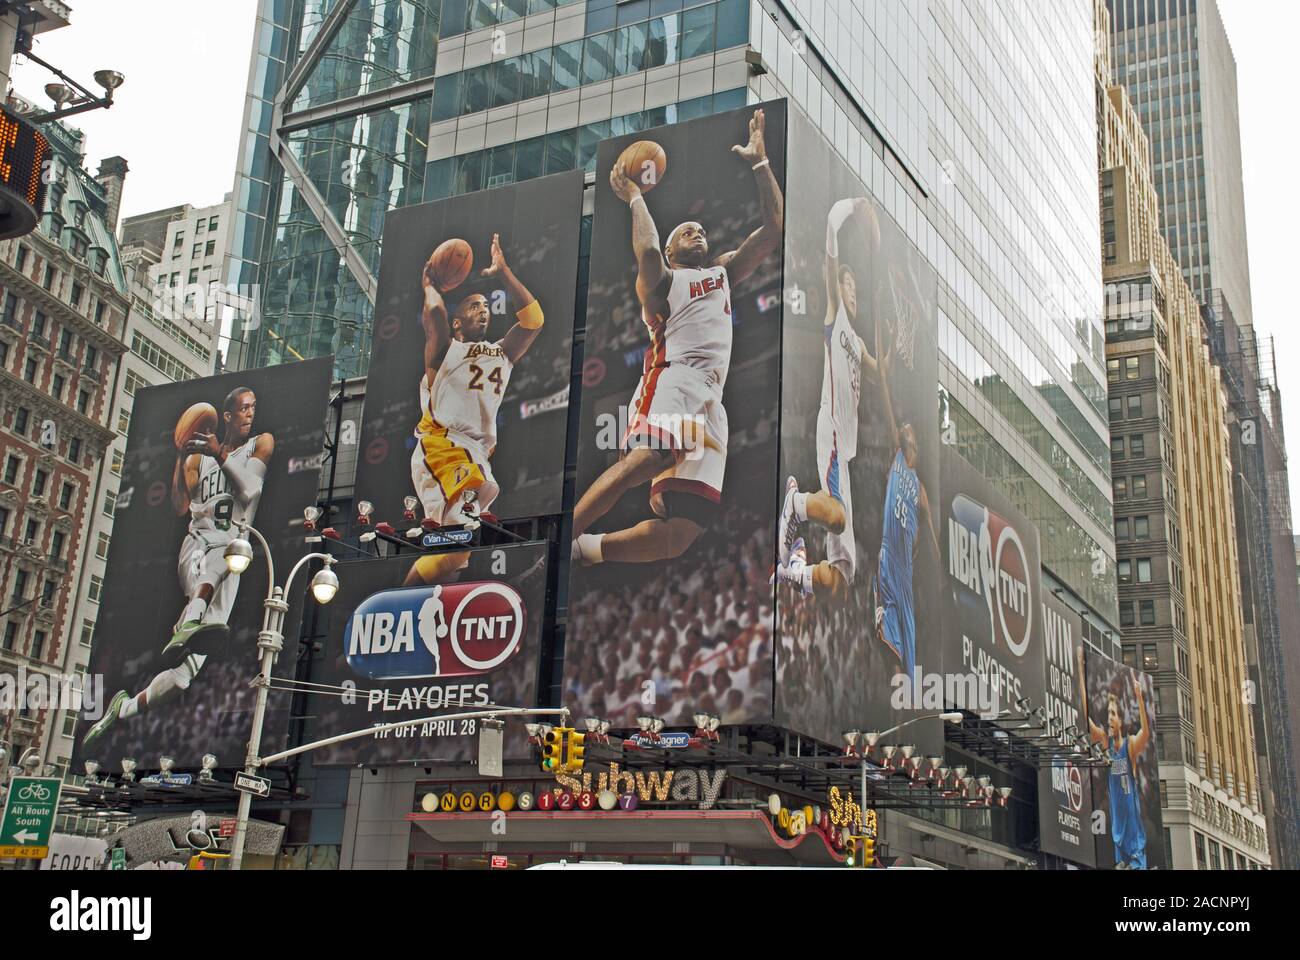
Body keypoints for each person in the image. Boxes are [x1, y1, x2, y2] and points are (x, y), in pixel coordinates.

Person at [571, 108, 784, 566]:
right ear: (671, 249)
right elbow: (647, 250)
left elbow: (771, 233)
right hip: (677, 378)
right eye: (686, 230)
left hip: (712, 399)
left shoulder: (722, 272)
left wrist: (761, 164)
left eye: (702, 228)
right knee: (651, 457)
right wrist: (633, 198)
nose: (698, 230)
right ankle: (565, 528)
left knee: (685, 530)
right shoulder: (663, 282)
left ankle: (585, 549)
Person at [83, 387, 274, 752]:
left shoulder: (261, 444)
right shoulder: (197, 461)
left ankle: (121, 709)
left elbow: (250, 490)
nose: (250, 414)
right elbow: (178, 505)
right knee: (230, 550)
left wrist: (219, 452)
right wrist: (179, 457)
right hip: (200, 548)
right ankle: (190, 620)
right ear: (228, 415)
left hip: (232, 561)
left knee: (185, 677)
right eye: (243, 409)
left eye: (254, 407)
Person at [405, 233, 544, 586]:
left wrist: (504, 272)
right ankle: (398, 604)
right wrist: (429, 286)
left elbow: (534, 320)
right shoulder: (445, 352)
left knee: (456, 551)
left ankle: (412, 606)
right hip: (441, 445)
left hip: (476, 453)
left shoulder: (502, 352)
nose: (483, 309)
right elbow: (434, 315)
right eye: (473, 306)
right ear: (457, 323)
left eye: (485, 305)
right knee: (458, 540)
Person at [775, 196, 883, 598]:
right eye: (846, 282)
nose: (851, 289)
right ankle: (796, 503)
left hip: (847, 451)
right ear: (837, 286)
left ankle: (796, 572)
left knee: (840, 580)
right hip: (831, 429)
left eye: (856, 285)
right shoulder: (833, 315)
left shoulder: (856, 339)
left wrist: (892, 348)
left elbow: (878, 371)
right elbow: (830, 228)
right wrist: (855, 207)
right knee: (835, 518)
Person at [868, 310, 939, 678]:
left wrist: (941, 574)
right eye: (904, 429)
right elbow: (882, 383)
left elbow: (932, 542)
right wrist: (888, 346)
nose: (906, 432)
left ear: (918, 443)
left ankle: (902, 712)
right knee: (890, 651)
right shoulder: (894, 454)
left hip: (907, 574)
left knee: (908, 674)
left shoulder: (922, 490)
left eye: (910, 431)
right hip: (888, 561)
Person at [1081, 654, 1152, 869]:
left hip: (1132, 822)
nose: (1109, 718)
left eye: (1113, 714)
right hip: (1117, 823)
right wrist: (1080, 675)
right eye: (1108, 713)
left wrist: (1139, 696)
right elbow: (1086, 719)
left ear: (1120, 720)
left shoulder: (1129, 745)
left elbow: (1146, 733)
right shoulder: (1105, 742)